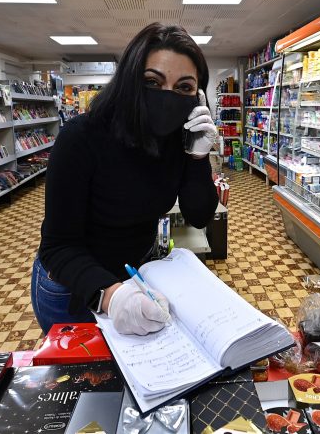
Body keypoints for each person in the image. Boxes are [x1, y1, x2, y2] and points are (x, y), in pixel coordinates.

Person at [32, 23, 219, 336]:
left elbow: (199, 216)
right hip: (71, 284)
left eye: (184, 87)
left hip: (136, 274)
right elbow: (58, 246)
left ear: (198, 96)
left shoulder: (177, 140)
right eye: (152, 81)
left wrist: (199, 156)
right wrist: (111, 294)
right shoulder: (81, 137)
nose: (168, 97)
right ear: (130, 81)